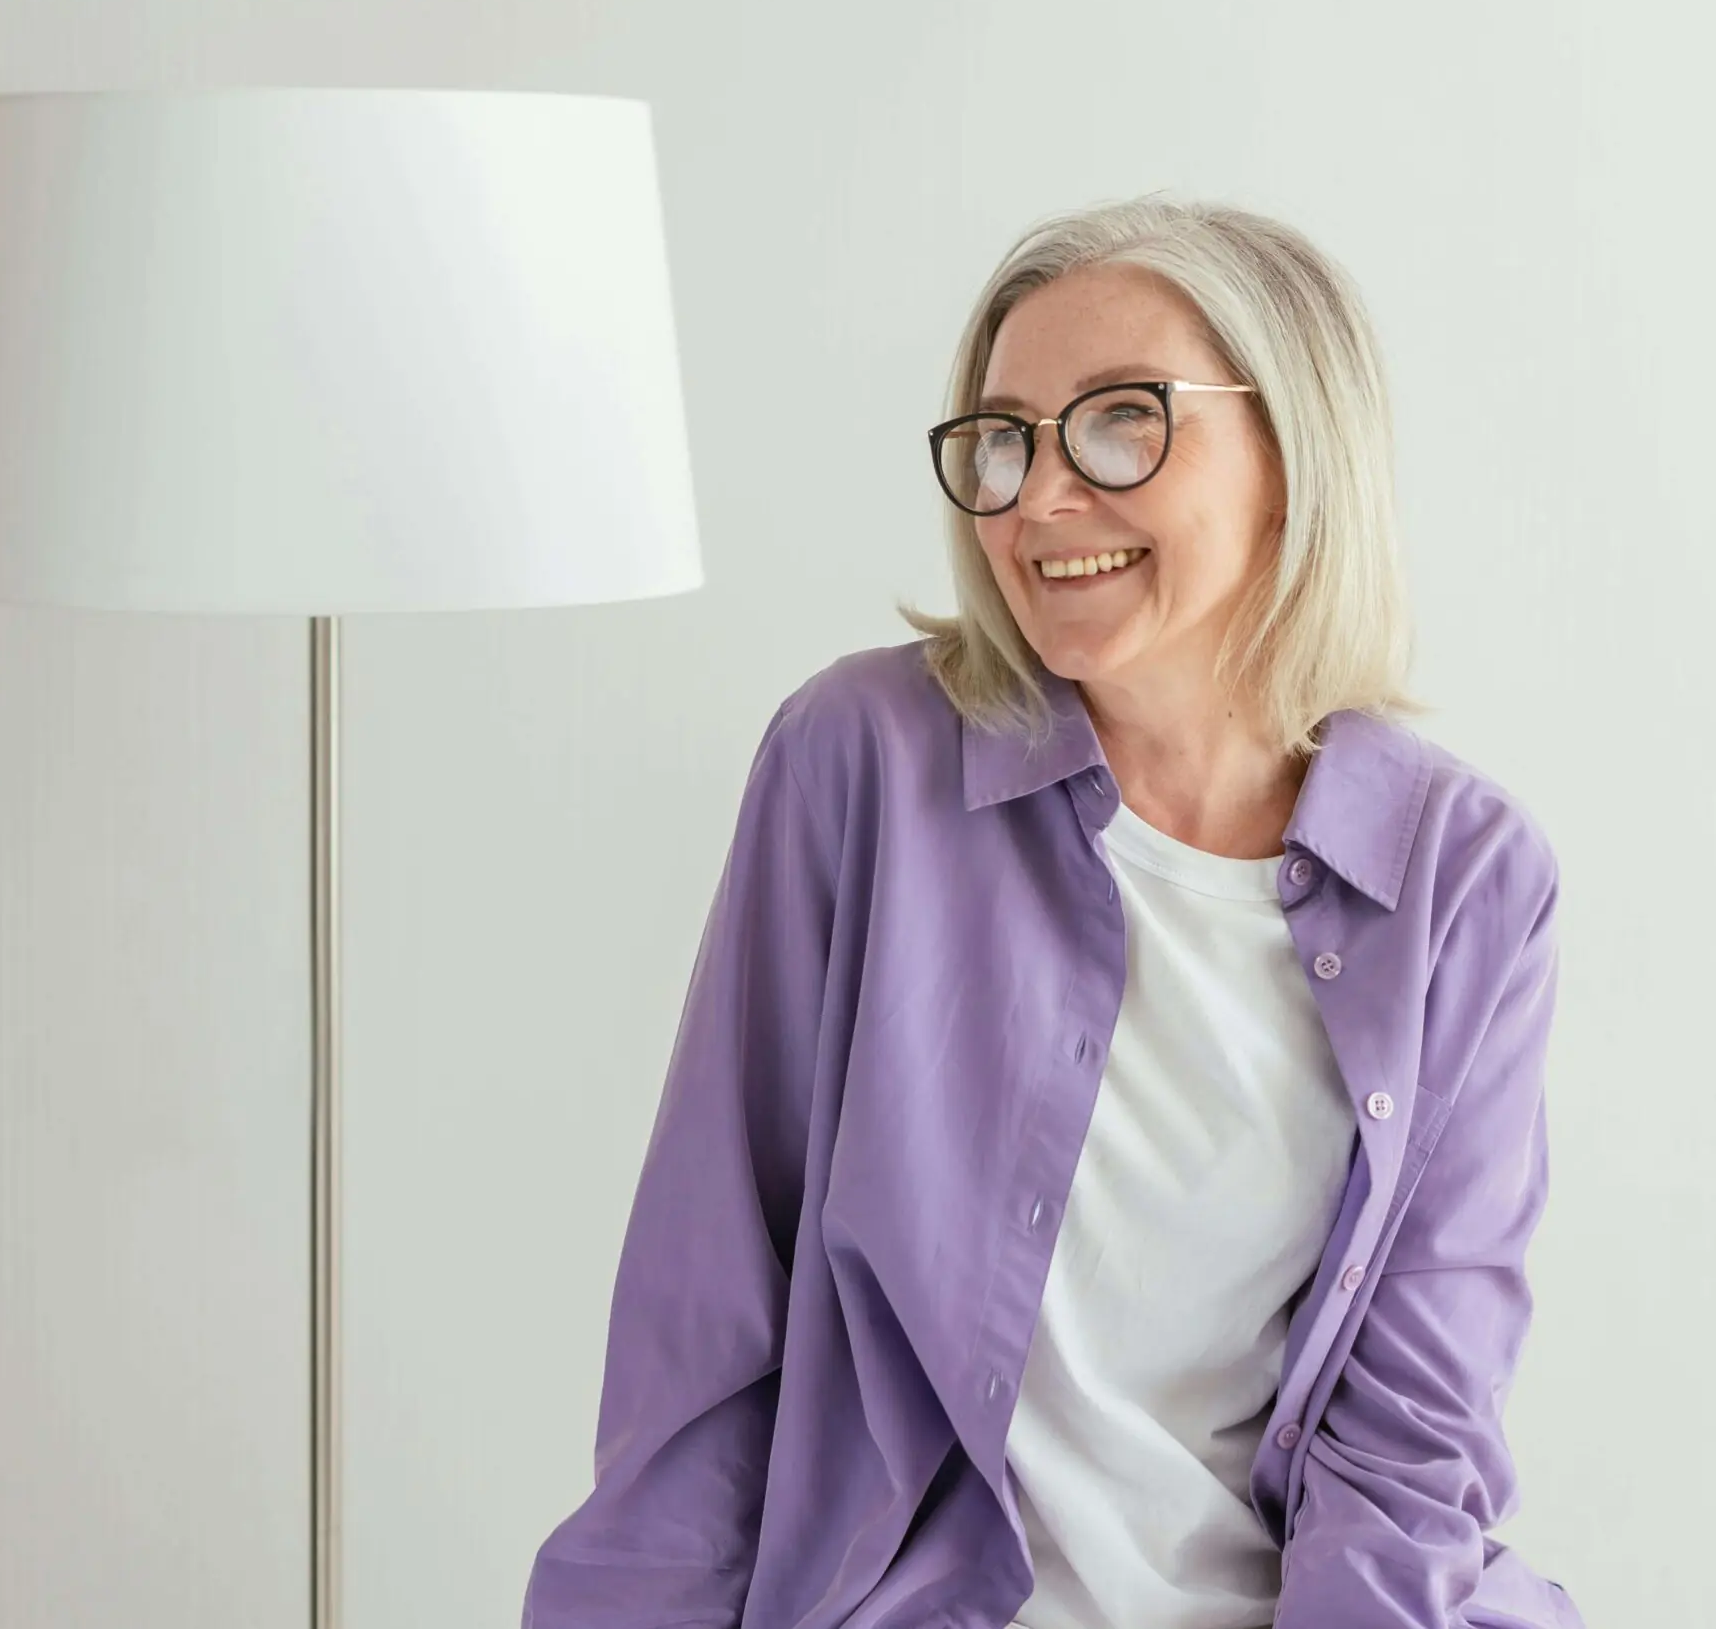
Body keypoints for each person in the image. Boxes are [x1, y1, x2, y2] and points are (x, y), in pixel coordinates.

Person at [523, 194, 1582, 1629]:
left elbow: (1412, 1440)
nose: (1038, 498)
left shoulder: (1464, 875)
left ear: (1293, 449)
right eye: (1006, 437)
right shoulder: (863, 768)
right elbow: (705, 1333)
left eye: (1121, 421)